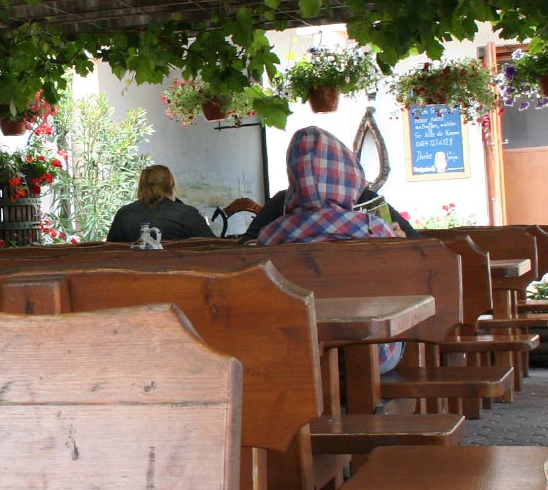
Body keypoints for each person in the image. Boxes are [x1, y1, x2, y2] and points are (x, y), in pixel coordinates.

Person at [257, 126, 404, 370]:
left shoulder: (270, 236)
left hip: (295, 351)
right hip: (372, 351)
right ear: (349, 178)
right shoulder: (374, 230)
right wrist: (400, 244)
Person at [241, 154, 417, 242]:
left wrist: (403, 242)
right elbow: (245, 246)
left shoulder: (365, 197)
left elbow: (420, 244)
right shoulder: (282, 201)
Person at [106, 164, 215, 243]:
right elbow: (215, 247)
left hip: (130, 273)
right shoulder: (186, 214)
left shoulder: (124, 214)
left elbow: (110, 250)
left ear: (141, 186)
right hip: (177, 273)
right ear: (171, 186)